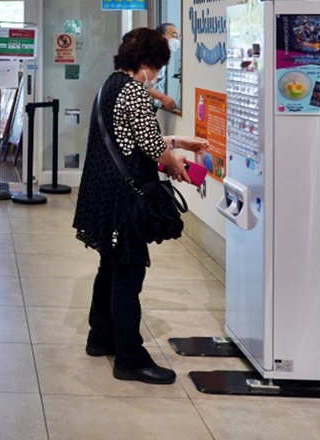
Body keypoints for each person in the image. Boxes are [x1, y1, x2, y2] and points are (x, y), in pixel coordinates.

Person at [73, 28, 209, 385]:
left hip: (103, 191)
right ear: (146, 63)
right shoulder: (133, 92)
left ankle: (99, 337)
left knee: (110, 264)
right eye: (159, 67)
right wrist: (176, 161)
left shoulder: (110, 85)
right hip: (124, 195)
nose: (159, 74)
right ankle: (130, 358)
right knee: (128, 274)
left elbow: (131, 137)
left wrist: (179, 141)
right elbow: (150, 146)